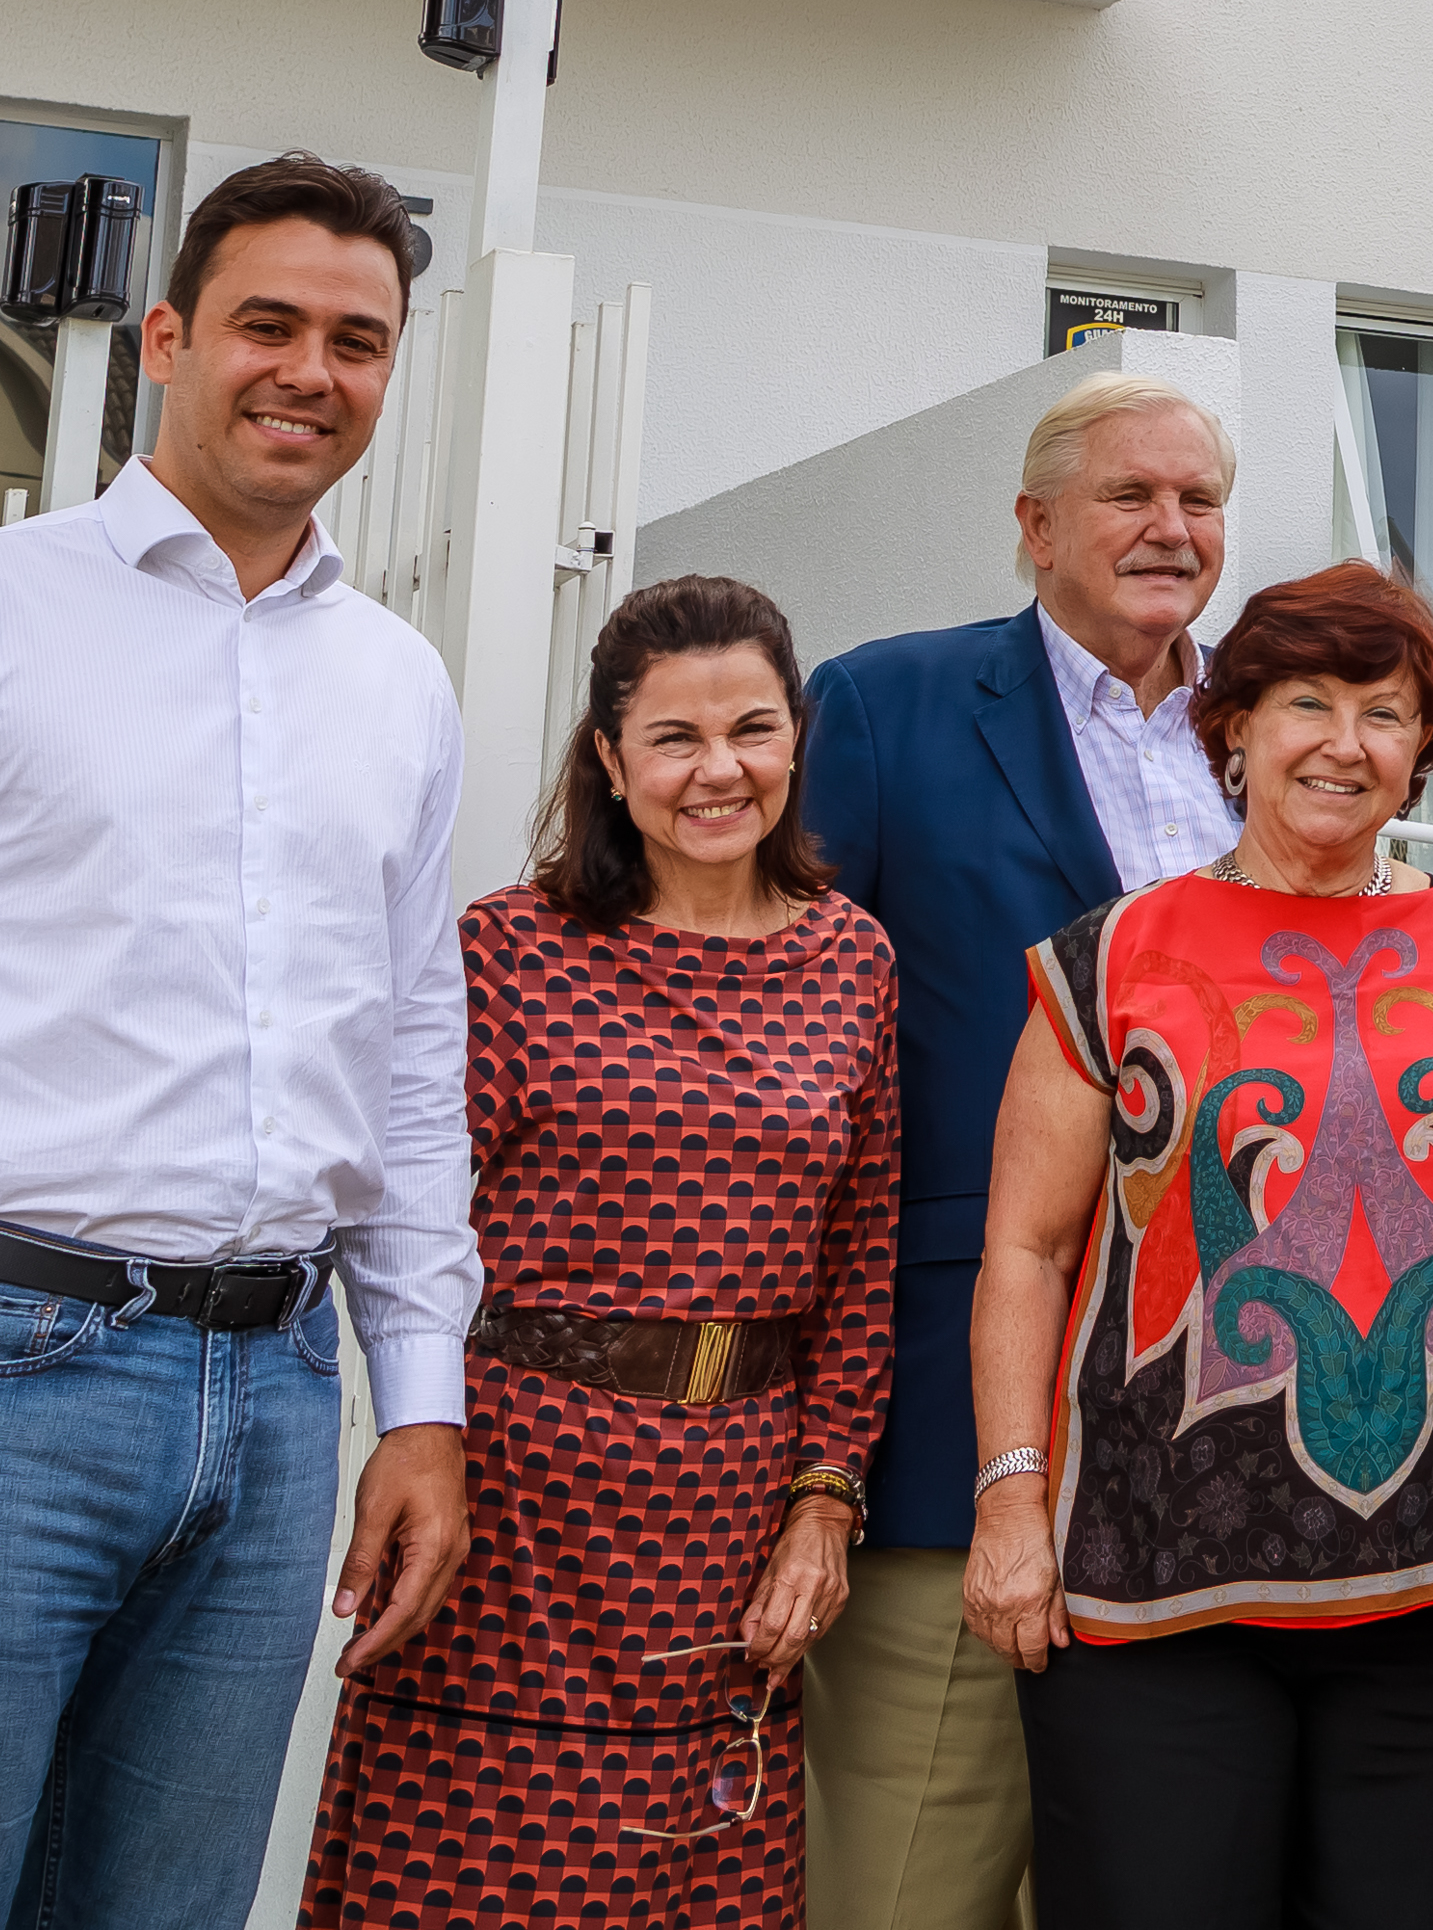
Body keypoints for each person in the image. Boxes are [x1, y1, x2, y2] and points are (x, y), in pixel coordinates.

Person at [0, 152, 478, 1929]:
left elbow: (411, 1066)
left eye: (359, 338)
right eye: (266, 323)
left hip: (273, 1403)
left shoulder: (397, 684)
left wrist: (419, 1402)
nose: (310, 371)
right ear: (166, 340)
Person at [960, 560, 1433, 1930]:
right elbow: (1025, 1246)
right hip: (1147, 1593)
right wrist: (1011, 1497)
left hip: (1424, 1591)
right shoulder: (1113, 954)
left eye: (1387, 708)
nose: (1345, 741)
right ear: (1230, 725)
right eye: (1307, 700)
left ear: (1424, 748)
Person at [305, 573, 903, 1924]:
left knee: (697, 1880)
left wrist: (824, 1502)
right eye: (676, 737)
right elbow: (403, 1220)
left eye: (751, 728)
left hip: (730, 1519)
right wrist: (420, 1434)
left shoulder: (852, 958)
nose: (719, 770)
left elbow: (860, 1270)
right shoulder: (510, 950)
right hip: (513, 1506)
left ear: (796, 737)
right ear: (608, 757)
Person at [790, 370, 1234, 1930]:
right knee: (908, 1884)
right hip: (953, 1436)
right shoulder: (884, 703)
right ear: (1035, 524)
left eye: (1198, 499)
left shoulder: (1275, 734)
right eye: (1132, 494)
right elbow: (787, 1048)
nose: (1171, 528)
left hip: (1231, 1437)